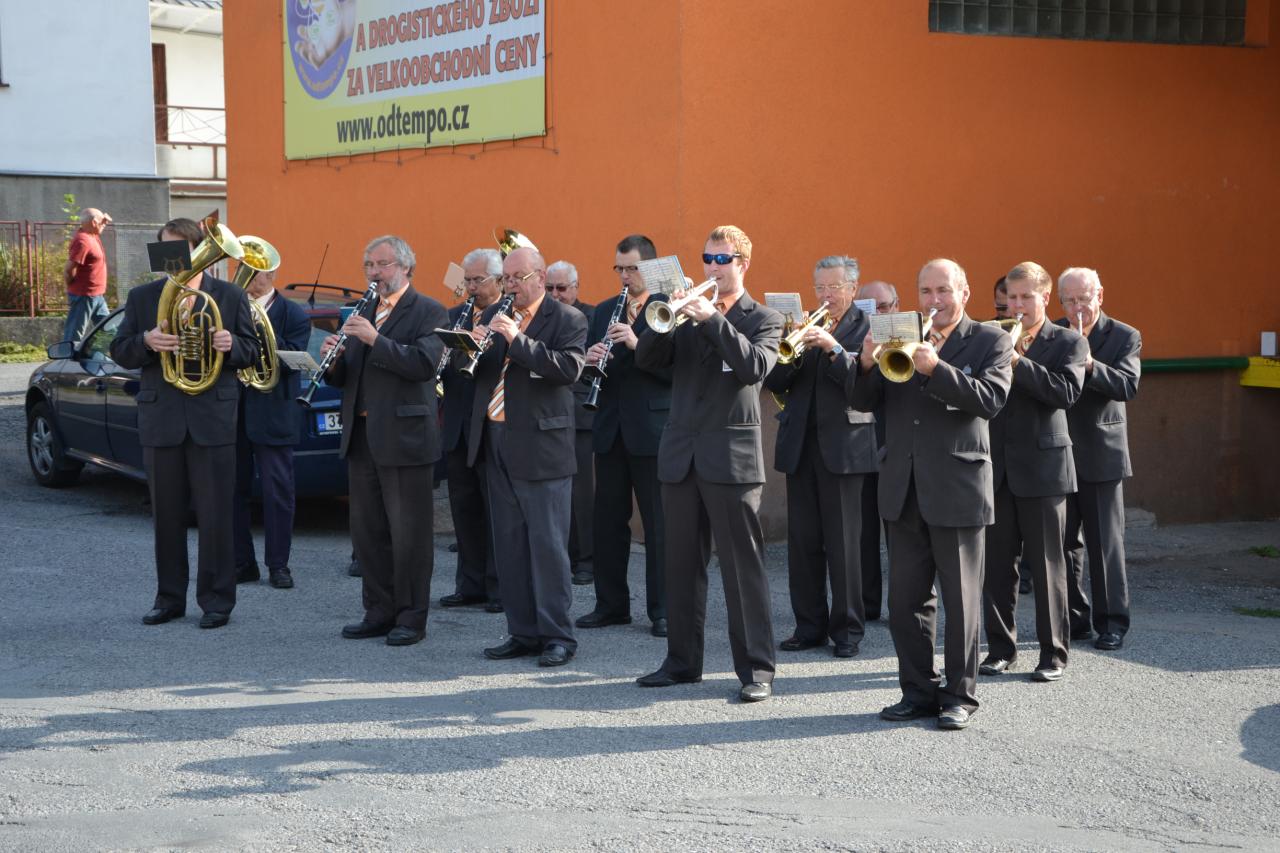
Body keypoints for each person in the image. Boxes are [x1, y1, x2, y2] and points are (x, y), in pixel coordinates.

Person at [848, 258, 1013, 730]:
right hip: (903, 486)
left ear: (965, 292)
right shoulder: (902, 332)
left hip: (958, 486)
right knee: (905, 602)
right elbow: (862, 402)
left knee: (961, 601)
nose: (934, 300)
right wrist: (865, 363)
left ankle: (959, 696)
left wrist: (937, 369)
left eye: (943, 290)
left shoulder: (990, 339)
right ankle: (917, 691)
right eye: (926, 291)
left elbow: (990, 400)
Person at [634, 225, 783, 703]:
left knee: (742, 569)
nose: (713, 267)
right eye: (707, 258)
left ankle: (756, 669)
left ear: (743, 264)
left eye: (722, 259)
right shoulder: (684, 316)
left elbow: (754, 368)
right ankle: (681, 663)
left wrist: (713, 320)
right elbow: (647, 360)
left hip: (731, 460)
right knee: (680, 565)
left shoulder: (764, 318)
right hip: (681, 455)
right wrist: (666, 313)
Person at [110, 217, 259, 629]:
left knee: (216, 516)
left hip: (213, 418)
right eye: (164, 249)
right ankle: (169, 599)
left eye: (178, 249)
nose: (171, 258)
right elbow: (119, 349)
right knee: (166, 516)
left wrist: (231, 344)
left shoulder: (229, 295)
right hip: (162, 418)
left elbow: (252, 351)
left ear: (198, 252)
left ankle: (217, 601)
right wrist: (145, 342)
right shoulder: (143, 297)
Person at [320, 235, 448, 647]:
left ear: (406, 267)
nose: (374, 273)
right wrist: (333, 361)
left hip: (405, 439)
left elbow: (424, 365)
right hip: (362, 438)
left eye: (382, 264)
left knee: (409, 535)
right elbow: (349, 378)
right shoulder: (364, 310)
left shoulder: (429, 310)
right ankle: (378, 611)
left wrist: (376, 339)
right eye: (368, 265)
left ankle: (411, 616)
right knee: (368, 532)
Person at [467, 246, 587, 667]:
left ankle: (557, 636)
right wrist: (471, 347)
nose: (510, 286)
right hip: (496, 436)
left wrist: (517, 340)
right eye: (506, 279)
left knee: (548, 547)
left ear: (539, 276)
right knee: (509, 543)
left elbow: (567, 369)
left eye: (517, 278)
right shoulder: (492, 314)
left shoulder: (568, 319)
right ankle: (522, 631)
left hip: (542, 445)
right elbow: (485, 375)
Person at [981, 261, 1088, 683]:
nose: (1017, 305)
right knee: (996, 566)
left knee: (1047, 567)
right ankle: (1000, 650)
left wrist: (1016, 361)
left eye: (1026, 296)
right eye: (1012, 297)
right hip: (996, 465)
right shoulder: (991, 335)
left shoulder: (1068, 341)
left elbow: (1066, 393)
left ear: (1045, 297)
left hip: (1044, 469)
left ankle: (1053, 653)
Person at [764, 255, 874, 658]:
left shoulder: (866, 327)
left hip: (844, 448)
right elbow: (775, 381)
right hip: (801, 446)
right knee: (803, 543)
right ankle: (808, 626)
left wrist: (832, 348)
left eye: (834, 287)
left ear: (853, 289)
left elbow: (863, 385)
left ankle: (847, 632)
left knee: (844, 545)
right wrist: (790, 349)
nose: (826, 295)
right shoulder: (804, 325)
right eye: (820, 287)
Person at [576, 234, 671, 638]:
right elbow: (590, 367)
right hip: (610, 427)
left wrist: (636, 343)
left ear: (649, 267)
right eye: (620, 268)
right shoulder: (603, 310)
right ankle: (611, 605)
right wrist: (589, 361)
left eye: (632, 268)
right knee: (608, 522)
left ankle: (663, 610)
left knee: (658, 524)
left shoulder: (668, 307)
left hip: (651, 429)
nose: (625, 276)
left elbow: (674, 370)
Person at [1056, 267, 1141, 651]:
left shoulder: (1124, 335)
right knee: (1062, 544)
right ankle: (1075, 619)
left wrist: (1090, 363)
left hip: (1102, 453)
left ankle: (1112, 623)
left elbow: (1127, 385)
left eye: (1084, 299)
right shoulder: (1055, 334)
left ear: (1100, 296)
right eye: (1069, 301)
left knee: (1105, 543)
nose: (1077, 308)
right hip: (1058, 451)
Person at [232, 262, 311, 590]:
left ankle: (279, 565)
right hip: (234, 412)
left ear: (271, 275)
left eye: (255, 271)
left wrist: (259, 326)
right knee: (232, 490)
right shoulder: (231, 308)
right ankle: (242, 562)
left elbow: (293, 359)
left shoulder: (294, 314)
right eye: (244, 269)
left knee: (277, 493)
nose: (248, 277)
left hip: (275, 413)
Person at [439, 248, 504, 613]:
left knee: (493, 509)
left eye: (478, 280)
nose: (471, 287)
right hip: (457, 424)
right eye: (467, 280)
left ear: (498, 281)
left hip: (489, 425)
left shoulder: (505, 316)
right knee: (463, 508)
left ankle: (498, 587)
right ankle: (469, 584)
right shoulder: (454, 316)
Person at [546, 260, 596, 585]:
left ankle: (587, 559)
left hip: (580, 413)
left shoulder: (592, 315)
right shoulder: (541, 316)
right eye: (549, 288)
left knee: (581, 493)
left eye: (562, 288)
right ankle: (561, 554)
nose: (555, 294)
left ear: (576, 287)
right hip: (546, 411)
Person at [852, 279, 899, 621]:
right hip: (856, 445)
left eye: (884, 306)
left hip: (893, 446)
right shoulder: (852, 338)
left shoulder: (908, 340)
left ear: (897, 307)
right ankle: (868, 604)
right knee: (863, 532)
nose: (877, 313)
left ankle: (902, 603)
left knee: (899, 535)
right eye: (868, 307)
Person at [63, 208, 112, 344]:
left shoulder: (92, 235)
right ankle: (67, 356)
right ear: (94, 222)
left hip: (97, 295)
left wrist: (103, 219)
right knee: (74, 335)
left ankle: (106, 353)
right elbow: (68, 270)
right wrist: (74, 288)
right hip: (83, 295)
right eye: (102, 222)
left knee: (110, 330)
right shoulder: (82, 241)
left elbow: (100, 224)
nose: (105, 224)